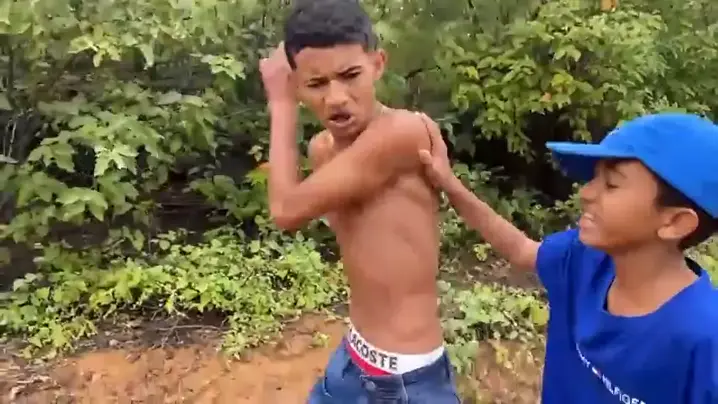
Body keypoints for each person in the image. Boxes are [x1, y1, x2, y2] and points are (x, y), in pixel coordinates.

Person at [418, 112, 718, 403]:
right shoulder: (584, 260)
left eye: (611, 184)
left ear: (675, 222)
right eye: (594, 177)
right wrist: (449, 183)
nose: (586, 193)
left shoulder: (704, 338)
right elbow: (522, 249)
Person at [258, 0, 459, 402]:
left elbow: (285, 212)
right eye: (316, 84)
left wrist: (280, 104)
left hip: (407, 379)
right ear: (297, 84)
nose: (336, 98)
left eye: (350, 75)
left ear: (378, 64)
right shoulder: (322, 149)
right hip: (353, 356)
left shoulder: (403, 133)